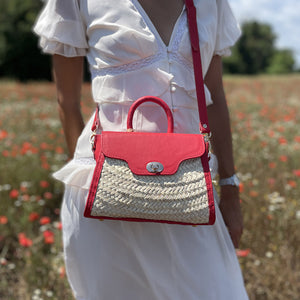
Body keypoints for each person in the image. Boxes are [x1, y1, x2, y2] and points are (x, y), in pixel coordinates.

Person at [34, 0, 249, 299]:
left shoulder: (210, 3)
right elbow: (67, 103)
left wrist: (231, 189)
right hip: (104, 198)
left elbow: (215, 100)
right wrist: (100, 180)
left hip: (186, 192)